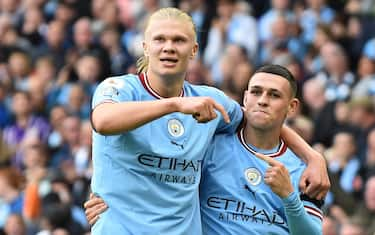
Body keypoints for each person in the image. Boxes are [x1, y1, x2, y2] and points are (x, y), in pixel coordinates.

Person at [88, 7, 329, 235]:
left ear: (194, 50)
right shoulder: (118, 88)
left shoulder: (209, 100)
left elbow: (257, 117)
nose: (168, 47)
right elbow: (102, 120)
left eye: (179, 40)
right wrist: (174, 104)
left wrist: (312, 157)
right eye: (160, 39)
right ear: (145, 47)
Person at [199, 65, 322, 234]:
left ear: (292, 107)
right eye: (256, 92)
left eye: (274, 95)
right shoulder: (211, 145)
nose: (263, 100)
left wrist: (289, 197)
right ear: (245, 98)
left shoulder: (306, 171)